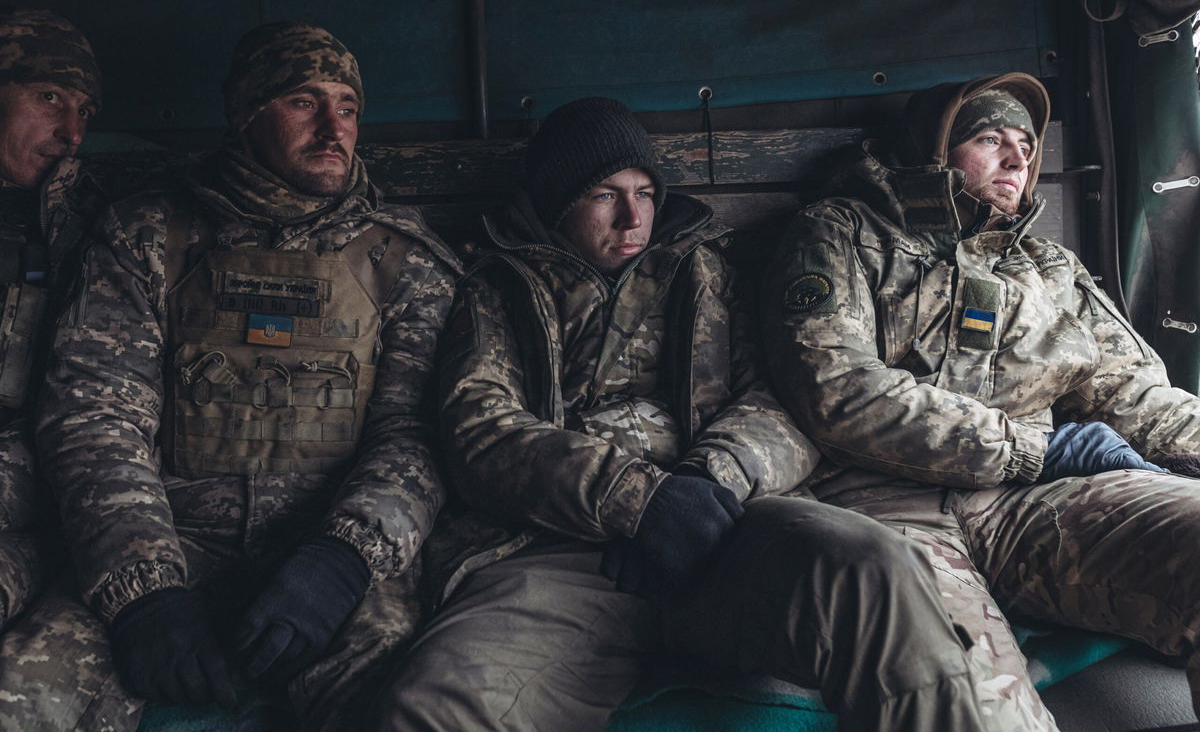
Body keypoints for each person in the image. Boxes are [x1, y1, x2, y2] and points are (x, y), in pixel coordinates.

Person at [374, 96, 994, 732]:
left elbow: (780, 401)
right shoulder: (498, 286)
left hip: (722, 526)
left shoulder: (708, 268)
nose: (633, 216)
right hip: (559, 554)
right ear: (557, 204)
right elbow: (482, 434)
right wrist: (639, 502)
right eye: (603, 195)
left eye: (645, 192)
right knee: (431, 711)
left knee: (875, 566)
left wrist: (707, 482)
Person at [31, 21, 459, 732]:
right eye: (302, 101)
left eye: (346, 105)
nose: (332, 127)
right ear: (246, 115)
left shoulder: (404, 259)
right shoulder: (145, 237)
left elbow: (415, 433)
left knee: (402, 709)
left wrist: (346, 557)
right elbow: (94, 417)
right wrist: (145, 591)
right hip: (172, 540)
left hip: (331, 554)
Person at [763, 71, 1200, 730]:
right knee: (967, 701)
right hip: (886, 507)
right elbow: (839, 392)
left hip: (1031, 505)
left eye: (1025, 142)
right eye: (990, 139)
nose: (1018, 157)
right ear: (936, 153)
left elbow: (1126, 388)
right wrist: (1033, 449)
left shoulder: (1051, 267)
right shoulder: (841, 233)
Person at [0, 6, 102, 632]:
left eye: (85, 111)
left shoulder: (92, 228)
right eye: (48, 97)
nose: (72, 132)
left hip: (33, 496)